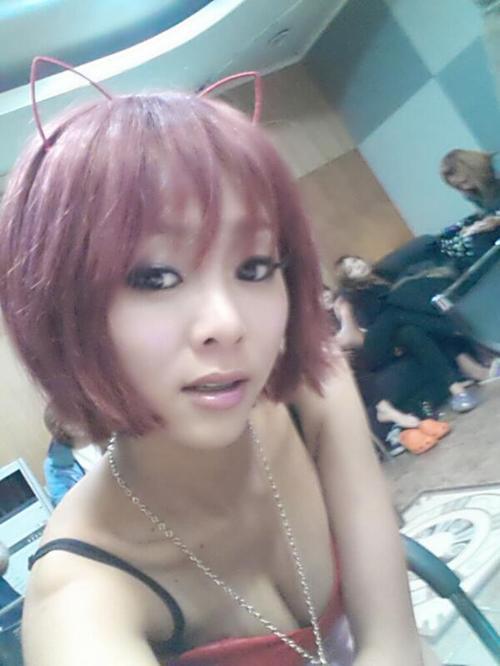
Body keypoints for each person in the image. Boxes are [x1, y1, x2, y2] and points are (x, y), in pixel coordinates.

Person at [0, 64, 439, 665]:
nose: (227, 323)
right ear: (63, 314)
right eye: (154, 277)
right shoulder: (80, 597)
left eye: (254, 267)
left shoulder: (313, 390)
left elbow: (395, 645)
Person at [439, 149, 500, 271]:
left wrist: (496, 220)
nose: (464, 187)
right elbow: (490, 212)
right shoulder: (473, 192)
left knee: (479, 239)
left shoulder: (497, 169)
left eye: (465, 182)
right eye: (458, 186)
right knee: (450, 238)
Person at [43, 406, 103, 506]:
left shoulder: (108, 432)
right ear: (59, 427)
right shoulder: (55, 464)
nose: (77, 421)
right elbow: (64, 504)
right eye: (68, 419)